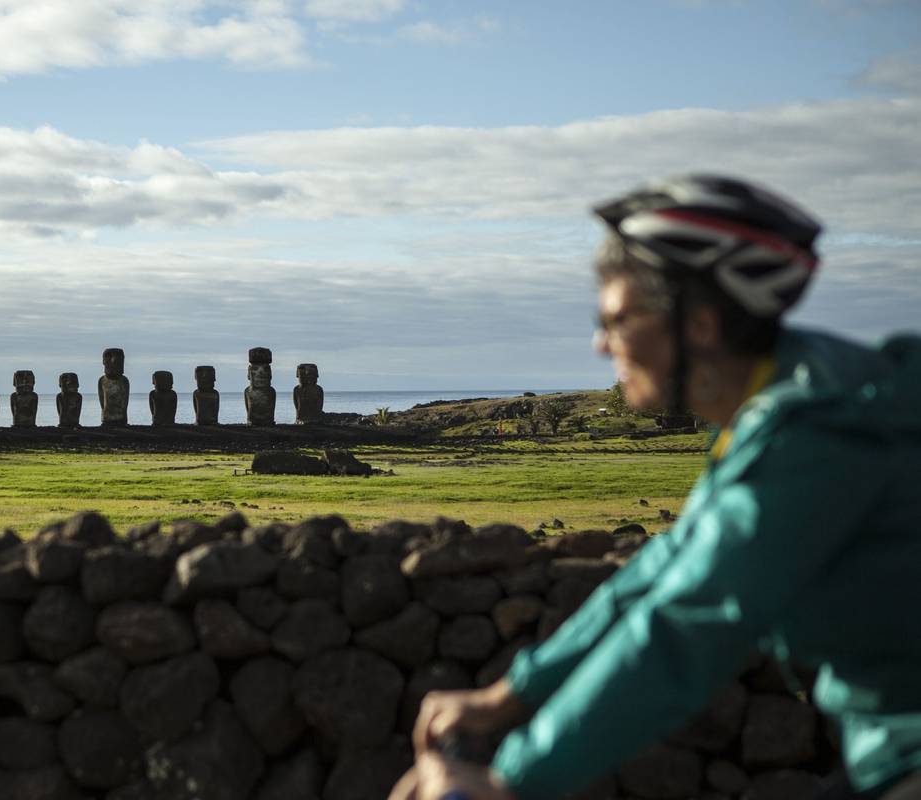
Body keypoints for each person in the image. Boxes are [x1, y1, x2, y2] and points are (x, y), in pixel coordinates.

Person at [393, 175, 921, 800]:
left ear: (697, 324)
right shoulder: (794, 404)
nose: (600, 343)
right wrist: (512, 697)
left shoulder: (815, 431)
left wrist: (511, 783)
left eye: (617, 319)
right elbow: (663, 573)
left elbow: (691, 621)